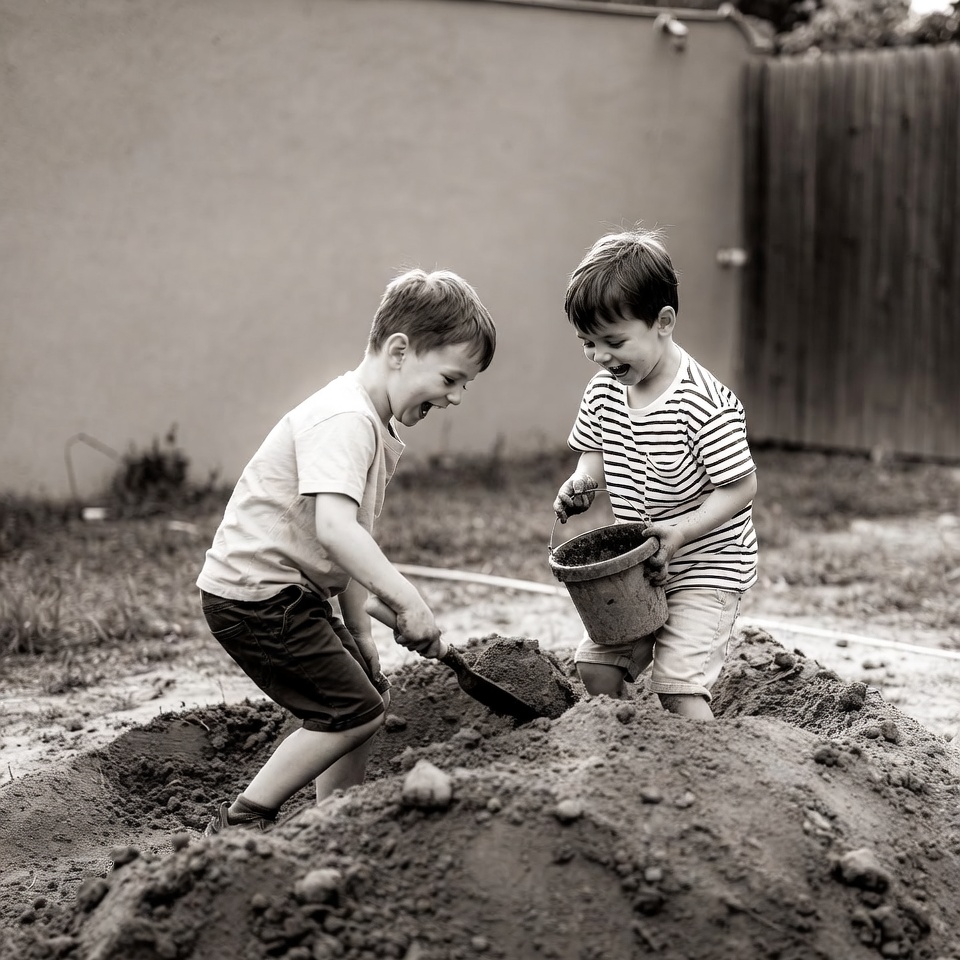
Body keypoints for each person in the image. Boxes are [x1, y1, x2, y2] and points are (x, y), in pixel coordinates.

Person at [197, 268, 496, 833]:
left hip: (291, 595)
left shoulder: (370, 423)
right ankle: (242, 819)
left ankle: (335, 821)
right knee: (350, 711)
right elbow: (336, 530)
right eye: (452, 378)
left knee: (368, 699)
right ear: (400, 351)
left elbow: (353, 540)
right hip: (257, 597)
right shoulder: (345, 419)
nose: (456, 398)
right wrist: (409, 601)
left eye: (466, 386)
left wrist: (359, 628)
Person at [552, 226, 757, 720]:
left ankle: (705, 774)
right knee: (596, 669)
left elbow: (741, 486)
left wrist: (681, 532)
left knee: (679, 688)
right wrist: (580, 482)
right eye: (587, 343)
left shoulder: (702, 402)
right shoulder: (604, 390)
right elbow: (592, 454)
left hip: (707, 564)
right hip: (640, 567)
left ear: (662, 322)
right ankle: (630, 756)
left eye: (614, 341)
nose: (601, 357)